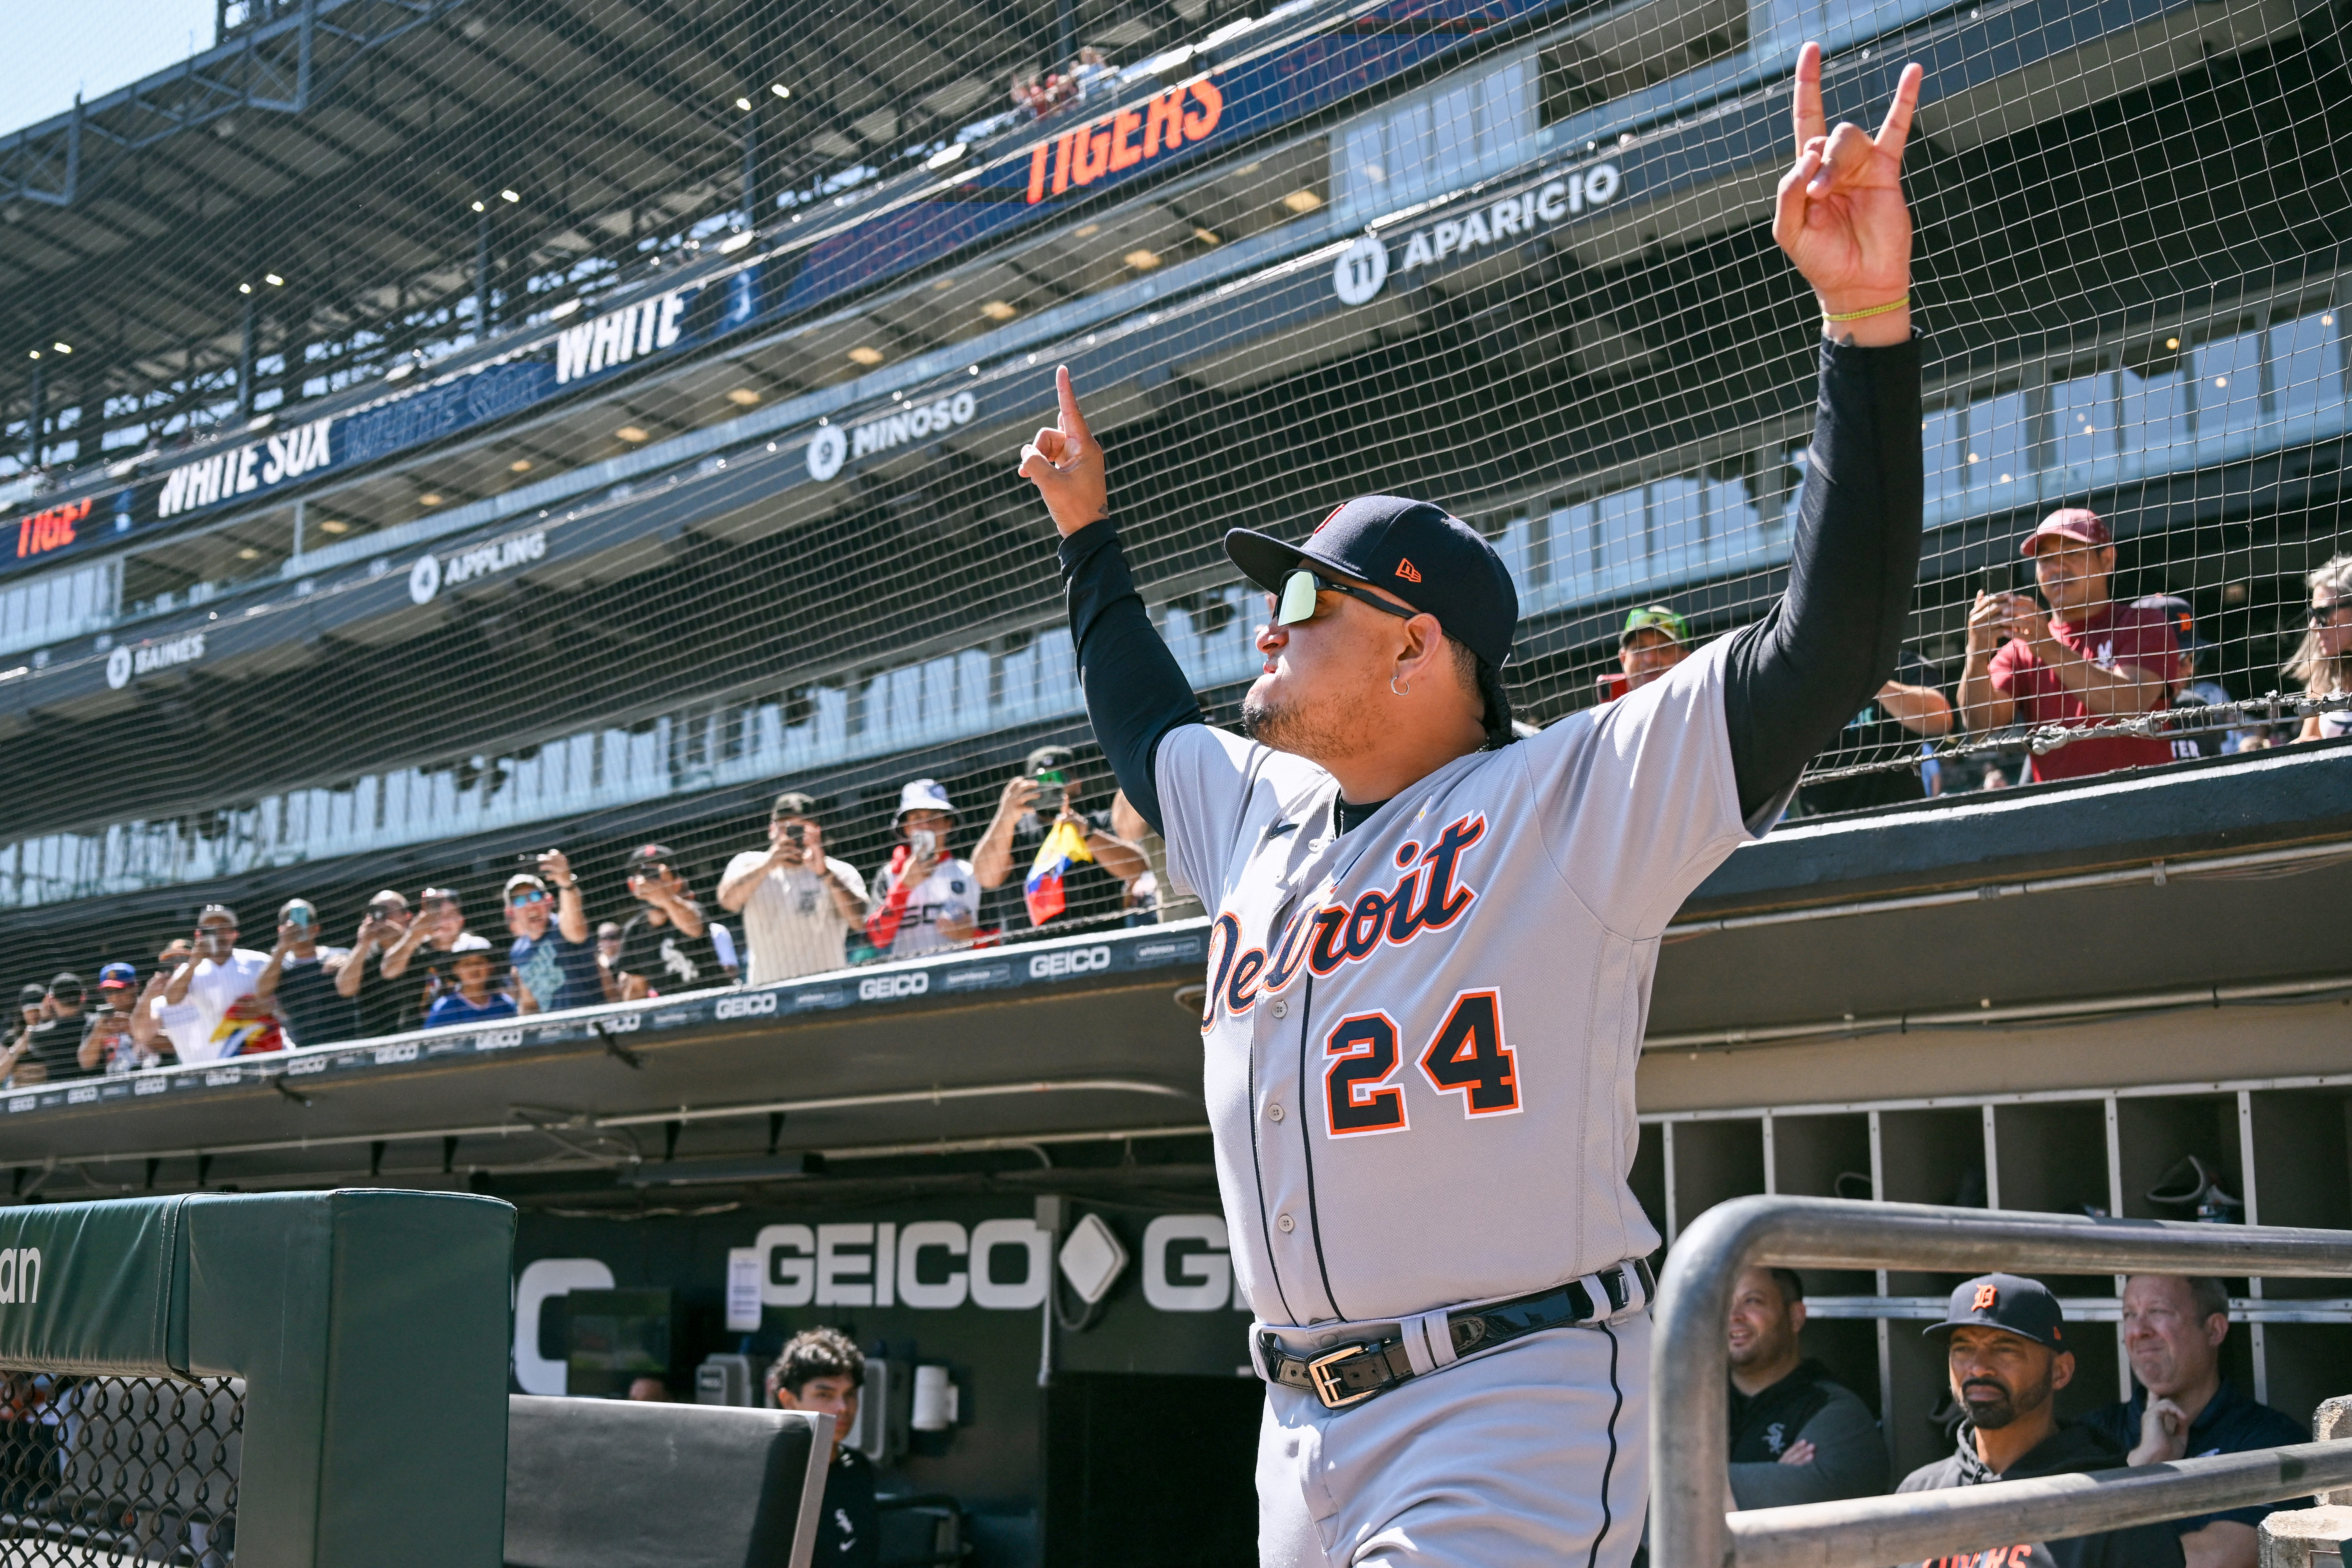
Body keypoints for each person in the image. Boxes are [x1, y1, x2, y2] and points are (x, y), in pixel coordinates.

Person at [1014, 43, 1926, 1565]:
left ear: (1417, 648)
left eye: (1305, 596)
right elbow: (1141, 715)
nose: (1267, 620)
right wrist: (1086, 537)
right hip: (1296, 1427)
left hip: (1508, 1393)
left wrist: (1864, 324)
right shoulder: (1259, 811)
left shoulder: (1563, 791)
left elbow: (1821, 647)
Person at [1897, 1273, 2184, 1567]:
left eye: (2005, 1348)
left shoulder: (2117, 1506)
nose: (1979, 1367)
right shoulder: (1919, 1492)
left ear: (2061, 1371)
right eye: (1963, 1348)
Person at [2080, 1275, 2306, 1568]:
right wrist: (2140, 1467)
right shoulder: (2090, 1434)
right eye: (2129, 1315)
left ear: (2214, 1330)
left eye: (2158, 1311)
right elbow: (2042, 1546)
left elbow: (2216, 1560)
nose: (2138, 1331)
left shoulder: (2270, 1440)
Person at [1957, 509, 2178, 782]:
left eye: (2072, 554)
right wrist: (1977, 653)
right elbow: (1980, 727)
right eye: (2046, 559)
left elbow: (2131, 704)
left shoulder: (2143, 623)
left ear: (2107, 560)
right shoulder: (2019, 649)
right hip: (2059, 813)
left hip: (2145, 803)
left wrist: (2048, 648)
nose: (2057, 568)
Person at [1724, 1266, 1887, 1508]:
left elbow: (1670, 1488)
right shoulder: (1693, 1400)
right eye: (1724, 1303)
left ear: (1796, 1317)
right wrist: (1772, 1479)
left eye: (1752, 1301)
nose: (1734, 1316)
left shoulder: (1835, 1411)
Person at [972, 746, 1148, 936]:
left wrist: (1087, 833)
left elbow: (1138, 870)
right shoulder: (1013, 831)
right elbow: (985, 878)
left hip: (1097, 947)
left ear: (1078, 782)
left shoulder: (1098, 823)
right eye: (1042, 781)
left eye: (1060, 778)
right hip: (1028, 953)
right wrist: (1004, 815)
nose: (1051, 787)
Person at [717, 792, 871, 983]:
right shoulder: (749, 863)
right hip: (768, 995)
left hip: (829, 992)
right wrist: (769, 864)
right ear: (772, 829)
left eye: (802, 827)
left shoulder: (839, 871)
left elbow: (861, 922)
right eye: (787, 827)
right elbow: (727, 901)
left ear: (817, 831)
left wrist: (825, 874)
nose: (794, 835)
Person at [1794, 648, 1953, 814]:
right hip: (1822, 820)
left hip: (1899, 814)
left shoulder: (1899, 662)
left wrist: (1872, 677)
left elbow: (1941, 721)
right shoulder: (1801, 673)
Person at [771, 1328, 877, 1568]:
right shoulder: (771, 1474)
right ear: (789, 1401)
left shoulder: (858, 1469)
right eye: (825, 1395)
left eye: (850, 1395)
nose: (843, 1407)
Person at [864, 779, 980, 959]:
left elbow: (1002, 939)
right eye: (917, 819)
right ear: (906, 827)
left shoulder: (971, 873)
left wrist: (971, 936)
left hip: (965, 980)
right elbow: (877, 939)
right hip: (908, 983)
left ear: (948, 823)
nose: (926, 826)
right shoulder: (889, 875)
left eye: (933, 817)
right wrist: (903, 887)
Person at [161, 906, 281, 1060]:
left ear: (234, 934)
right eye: (209, 930)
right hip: (222, 1055)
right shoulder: (190, 970)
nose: (217, 934)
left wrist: (270, 1008)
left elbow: (286, 1001)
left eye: (223, 929)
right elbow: (171, 999)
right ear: (199, 935)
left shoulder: (259, 961)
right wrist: (193, 963)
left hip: (267, 1049)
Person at [613, 845, 726, 998]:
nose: (652, 881)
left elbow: (695, 929)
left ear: (677, 883)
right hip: (671, 1017)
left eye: (657, 874)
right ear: (632, 886)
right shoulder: (634, 931)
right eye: (645, 874)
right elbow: (637, 988)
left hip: (713, 1008)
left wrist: (667, 899)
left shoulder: (692, 910)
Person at [379, 886, 492, 1026]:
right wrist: (414, 935)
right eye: (437, 915)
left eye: (450, 915)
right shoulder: (413, 952)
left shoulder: (475, 950)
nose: (443, 922)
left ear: (461, 920)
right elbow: (388, 972)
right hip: (420, 1037)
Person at [255, 898, 357, 1048]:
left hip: (345, 1047)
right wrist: (282, 948)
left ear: (316, 928)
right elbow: (262, 992)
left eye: (303, 920)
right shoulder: (279, 965)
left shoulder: (340, 956)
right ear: (280, 929)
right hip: (300, 1051)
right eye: (289, 921)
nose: (296, 926)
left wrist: (348, 963)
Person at [506, 852, 601, 1013]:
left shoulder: (562, 927)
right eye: (520, 901)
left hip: (593, 1025)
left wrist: (566, 884)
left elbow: (576, 929)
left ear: (550, 901)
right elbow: (529, 1003)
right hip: (555, 1035)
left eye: (536, 896)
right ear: (511, 913)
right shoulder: (518, 951)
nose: (530, 905)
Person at [2288, 552, 2351, 742]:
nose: (2313, 625)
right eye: (2313, 613)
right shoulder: (2324, 674)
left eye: (2323, 612)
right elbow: (2309, 740)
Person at [337, 891, 418, 1038]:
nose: (382, 918)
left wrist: (402, 939)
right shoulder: (364, 955)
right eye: (375, 913)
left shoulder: (420, 947)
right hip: (373, 1044)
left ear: (407, 917)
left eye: (388, 912)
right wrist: (362, 945)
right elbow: (345, 990)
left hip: (416, 1039)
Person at [76, 964, 154, 1075]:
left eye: (119, 991)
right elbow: (86, 1064)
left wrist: (135, 1028)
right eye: (108, 992)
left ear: (135, 986)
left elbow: (172, 1046)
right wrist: (98, 1033)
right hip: (117, 1086)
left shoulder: (152, 1010)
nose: (114, 997)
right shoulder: (98, 1021)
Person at [14, 974, 90, 1084]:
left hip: (58, 1094)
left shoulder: (40, 1035)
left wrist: (44, 1019)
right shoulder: (97, 1023)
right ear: (83, 996)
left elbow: (37, 1039)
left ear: (51, 999)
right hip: (101, 1093)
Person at [127, 940, 190, 1062]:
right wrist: (148, 996)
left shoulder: (212, 989)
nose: (177, 967)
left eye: (183, 960)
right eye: (171, 963)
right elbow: (141, 1035)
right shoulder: (161, 1003)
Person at [424, 949, 518, 1029]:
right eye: (467, 964)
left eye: (479, 963)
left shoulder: (505, 1004)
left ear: (491, 967)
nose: (474, 968)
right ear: (455, 969)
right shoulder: (444, 1008)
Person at [1616, 606, 1692, 695]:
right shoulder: (1611, 708)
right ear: (1623, 658)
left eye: (1663, 649)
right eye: (1639, 648)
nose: (1650, 659)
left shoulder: (1703, 705)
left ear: (1685, 661)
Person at [0, 985, 51, 1086]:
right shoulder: (11, 1038)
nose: (34, 1015)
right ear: (22, 1012)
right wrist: (16, 1051)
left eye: (37, 1010)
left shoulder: (54, 1034)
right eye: (30, 1011)